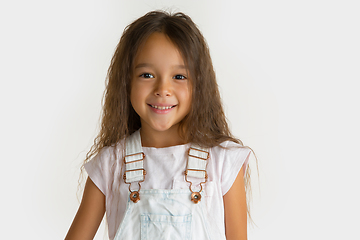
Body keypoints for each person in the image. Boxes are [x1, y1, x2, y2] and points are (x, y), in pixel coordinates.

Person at [65, 10, 253, 240]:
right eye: (146, 75)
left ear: (200, 84)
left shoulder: (223, 162)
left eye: (179, 76)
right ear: (126, 81)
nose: (163, 89)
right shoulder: (110, 164)